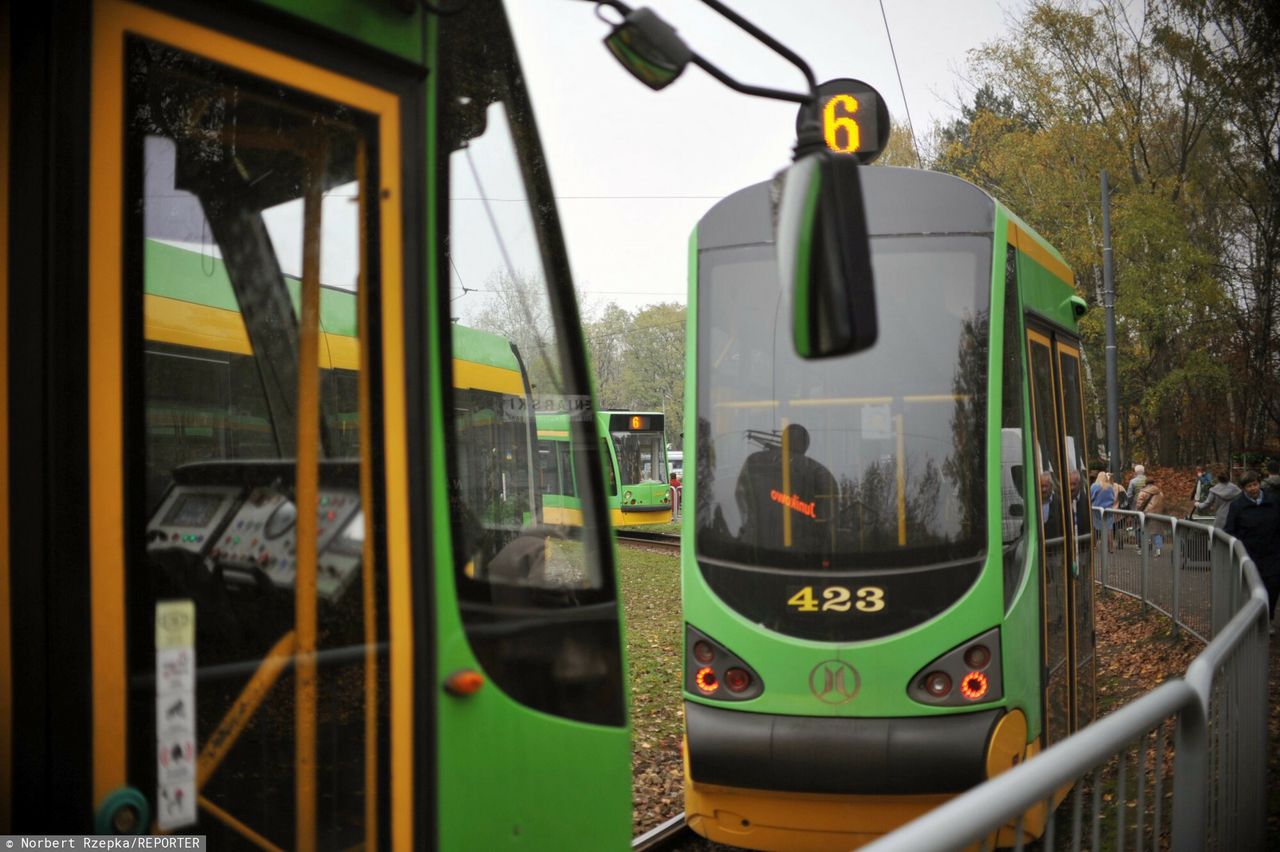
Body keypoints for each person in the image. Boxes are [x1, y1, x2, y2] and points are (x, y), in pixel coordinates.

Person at [1224, 470, 1280, 634]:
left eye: (1255, 484)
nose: (1253, 488)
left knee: (1273, 586)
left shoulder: (1274, 501)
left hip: (1273, 552)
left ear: (1259, 484)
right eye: (1249, 486)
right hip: (1250, 554)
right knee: (1253, 587)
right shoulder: (1237, 506)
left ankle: (1267, 618)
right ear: (1243, 488)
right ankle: (1253, 619)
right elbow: (1230, 530)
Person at [1134, 475, 1165, 556]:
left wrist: (1138, 511)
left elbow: (1139, 505)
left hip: (1146, 514)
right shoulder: (1160, 492)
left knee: (1144, 531)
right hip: (1157, 514)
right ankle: (1158, 549)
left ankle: (1144, 549)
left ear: (1146, 483)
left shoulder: (1143, 492)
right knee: (1157, 531)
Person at [1090, 471, 1117, 551]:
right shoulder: (1110, 487)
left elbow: (1091, 497)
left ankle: (1094, 546)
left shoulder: (1094, 486)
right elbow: (1113, 498)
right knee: (1109, 528)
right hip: (1108, 510)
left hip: (1096, 510)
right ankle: (1110, 547)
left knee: (1094, 527)